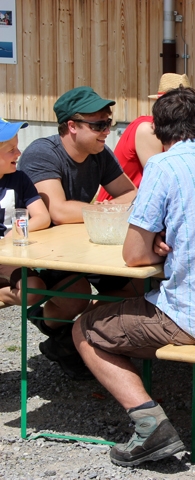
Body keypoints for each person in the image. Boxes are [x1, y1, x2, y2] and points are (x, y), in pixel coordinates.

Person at [72, 86, 195, 467]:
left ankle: (149, 425)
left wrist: (153, 241)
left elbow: (133, 255)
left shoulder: (163, 166)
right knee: (191, 303)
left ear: (158, 131)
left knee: (85, 328)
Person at [18, 86, 138, 380]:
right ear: (71, 126)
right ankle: (53, 325)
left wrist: (95, 210)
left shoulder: (99, 152)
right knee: (76, 296)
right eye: (98, 125)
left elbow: (131, 193)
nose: (106, 131)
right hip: (46, 249)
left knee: (136, 289)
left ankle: (67, 340)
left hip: (87, 242)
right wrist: (105, 209)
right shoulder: (42, 153)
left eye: (109, 123)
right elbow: (58, 212)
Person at [96, 73, 192, 201]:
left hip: (143, 204)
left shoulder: (172, 132)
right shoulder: (148, 129)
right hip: (121, 208)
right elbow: (160, 180)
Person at [0, 119, 51, 307]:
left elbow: (42, 217)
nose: (19, 153)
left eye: (18, 147)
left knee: (34, 289)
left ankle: (4, 294)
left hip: (8, 256)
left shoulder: (20, 178)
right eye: (11, 149)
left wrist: (14, 233)